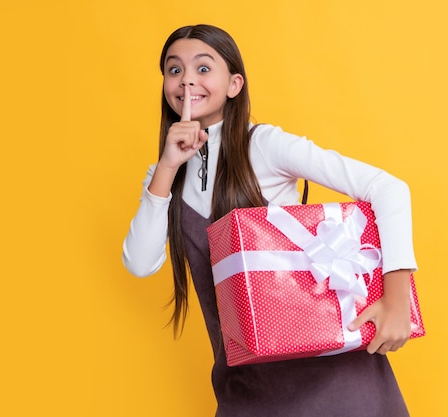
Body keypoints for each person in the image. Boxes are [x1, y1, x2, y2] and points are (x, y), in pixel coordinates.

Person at [123, 24, 418, 417]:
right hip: (246, 390)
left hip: (333, 382)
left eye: (204, 68)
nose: (187, 79)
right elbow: (140, 263)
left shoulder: (263, 145)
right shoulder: (164, 175)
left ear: (234, 84)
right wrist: (167, 166)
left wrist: (397, 299)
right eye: (174, 70)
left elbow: (388, 189)